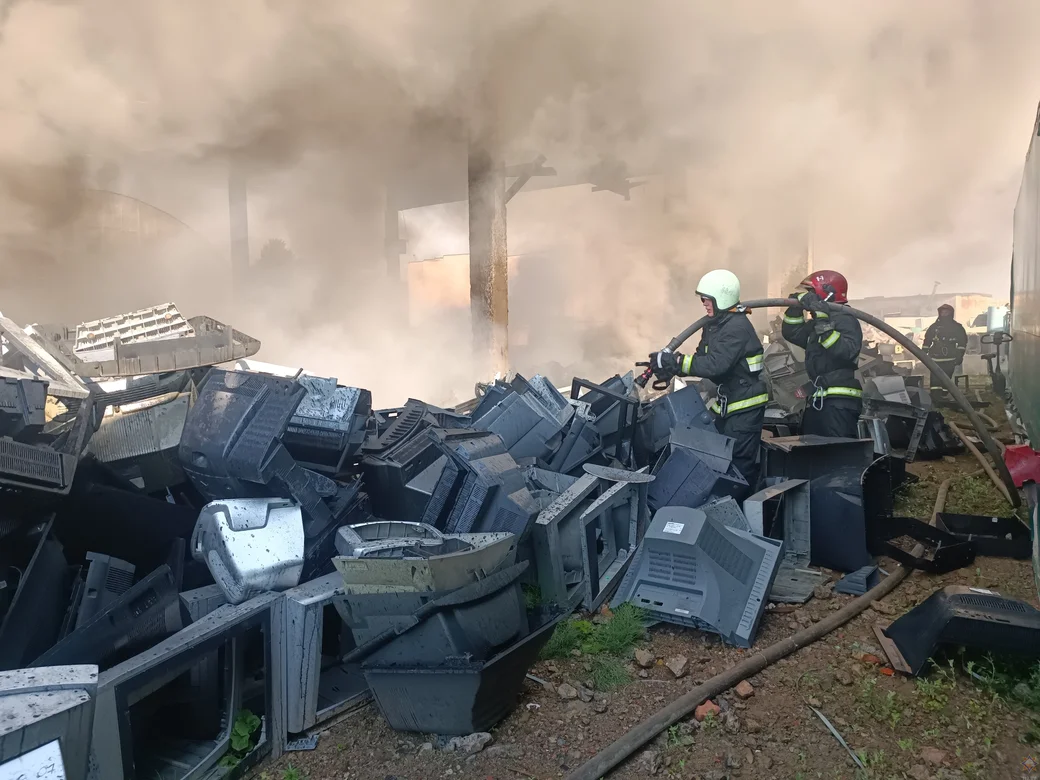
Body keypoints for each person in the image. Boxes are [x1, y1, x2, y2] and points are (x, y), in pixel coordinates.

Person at [649, 269, 768, 494]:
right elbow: (701, 359)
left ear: (721, 298)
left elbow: (716, 364)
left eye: (706, 299)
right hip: (727, 401)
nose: (703, 303)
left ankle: (743, 513)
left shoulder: (737, 327)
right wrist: (671, 369)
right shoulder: (716, 325)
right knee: (717, 455)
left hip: (745, 405)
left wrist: (676, 362)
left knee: (739, 463)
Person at [781, 270, 863, 438]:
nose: (809, 296)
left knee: (837, 453)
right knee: (813, 450)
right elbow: (793, 332)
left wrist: (823, 321)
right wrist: (794, 308)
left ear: (827, 294)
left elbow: (845, 351)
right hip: (820, 399)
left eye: (812, 293)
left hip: (840, 402)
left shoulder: (846, 319)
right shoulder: (818, 322)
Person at [923, 304, 968, 392]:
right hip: (936, 359)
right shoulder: (934, 327)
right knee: (935, 381)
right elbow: (927, 340)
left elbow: (962, 342)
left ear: (951, 313)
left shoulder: (957, 327)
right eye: (942, 312)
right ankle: (936, 397)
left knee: (946, 380)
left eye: (946, 312)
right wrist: (924, 352)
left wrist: (960, 355)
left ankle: (944, 397)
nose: (944, 314)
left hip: (950, 359)